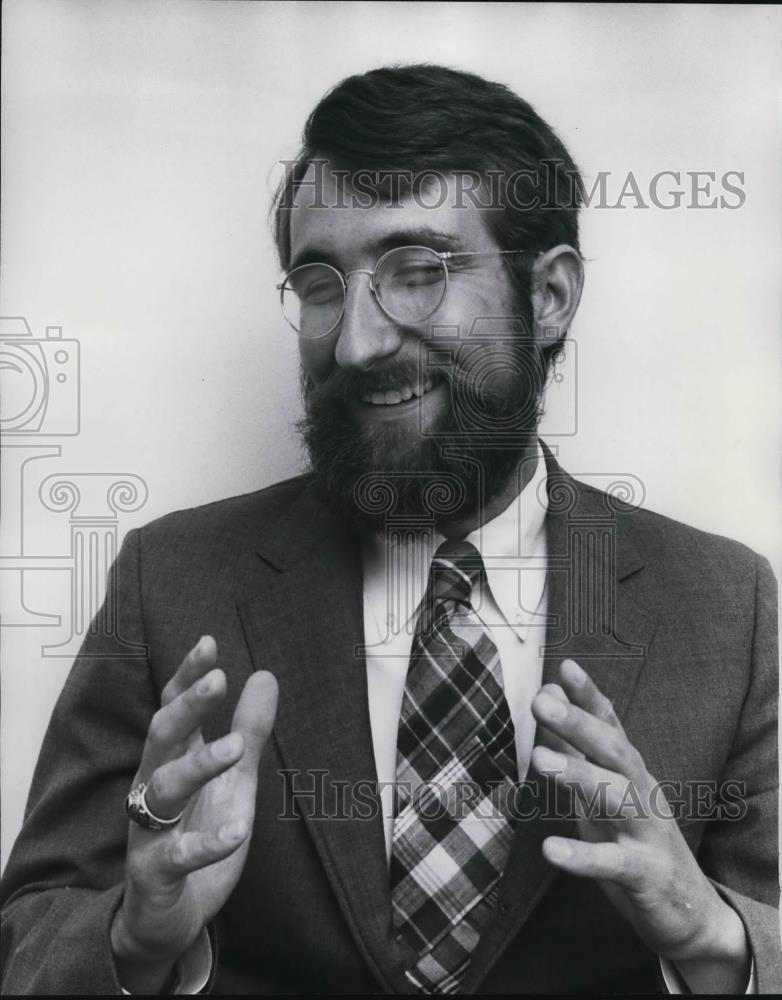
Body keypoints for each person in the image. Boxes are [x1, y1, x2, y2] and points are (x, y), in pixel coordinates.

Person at [1, 64, 778, 995]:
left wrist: (714, 938)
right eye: (320, 282)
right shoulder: (170, 581)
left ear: (552, 296)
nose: (359, 342)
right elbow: (30, 930)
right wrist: (136, 940)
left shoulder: (724, 608)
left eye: (419, 272)